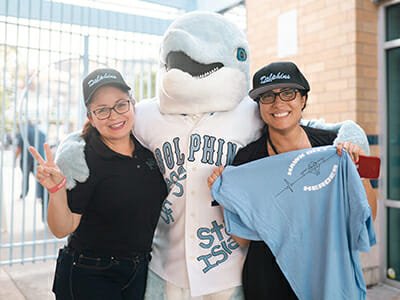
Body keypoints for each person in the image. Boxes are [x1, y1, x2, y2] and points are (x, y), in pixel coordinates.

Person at [207, 61, 377, 300]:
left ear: (303, 100)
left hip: (327, 273)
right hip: (268, 280)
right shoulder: (247, 160)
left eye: (288, 93)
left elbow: (368, 214)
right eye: (267, 96)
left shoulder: (333, 147)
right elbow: (242, 240)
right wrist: (225, 195)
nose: (278, 103)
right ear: (259, 106)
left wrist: (357, 168)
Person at [29, 68, 167, 300]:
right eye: (102, 110)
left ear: (133, 104)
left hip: (139, 269)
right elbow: (62, 228)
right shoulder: (81, 157)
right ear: (90, 117)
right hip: (90, 273)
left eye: (121, 105)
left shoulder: (148, 149)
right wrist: (56, 191)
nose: (114, 116)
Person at [15, 120, 46, 203]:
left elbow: (18, 148)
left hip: (26, 158)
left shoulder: (23, 132)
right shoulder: (41, 133)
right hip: (38, 159)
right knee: (39, 177)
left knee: (25, 177)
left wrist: (14, 159)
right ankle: (40, 196)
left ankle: (23, 195)